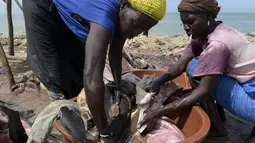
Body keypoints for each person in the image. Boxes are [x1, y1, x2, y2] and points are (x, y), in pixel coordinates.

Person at [22, 0, 166, 141]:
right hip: (42, 8)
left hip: (76, 14)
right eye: (135, 24)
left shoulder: (123, 19)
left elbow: (115, 51)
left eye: (143, 29)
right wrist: (105, 135)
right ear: (123, 4)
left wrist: (117, 87)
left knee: (79, 69)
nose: (136, 32)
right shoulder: (103, 17)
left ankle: (88, 113)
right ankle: (63, 109)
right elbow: (91, 77)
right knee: (56, 73)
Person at [141, 0, 255, 131]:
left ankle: (217, 129)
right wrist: (159, 81)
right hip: (246, 82)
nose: (186, 27)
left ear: (207, 16)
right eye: (183, 23)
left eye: (190, 22)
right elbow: (180, 64)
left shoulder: (217, 44)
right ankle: (220, 117)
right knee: (196, 65)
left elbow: (203, 91)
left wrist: (156, 112)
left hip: (252, 98)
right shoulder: (209, 31)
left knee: (199, 71)